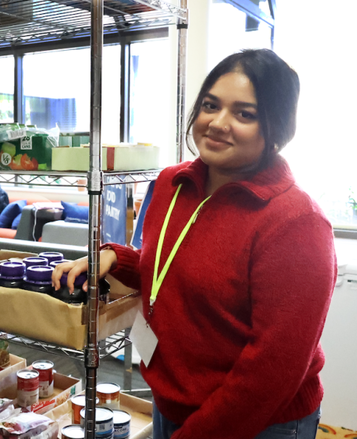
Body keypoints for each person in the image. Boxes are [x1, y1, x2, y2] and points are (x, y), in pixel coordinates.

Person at [53, 49, 337, 439]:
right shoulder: (172, 184)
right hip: (171, 400)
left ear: (277, 127)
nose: (218, 123)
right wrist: (114, 260)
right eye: (210, 105)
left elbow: (271, 373)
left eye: (245, 114)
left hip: (258, 421)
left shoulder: (296, 222)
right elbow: (173, 271)